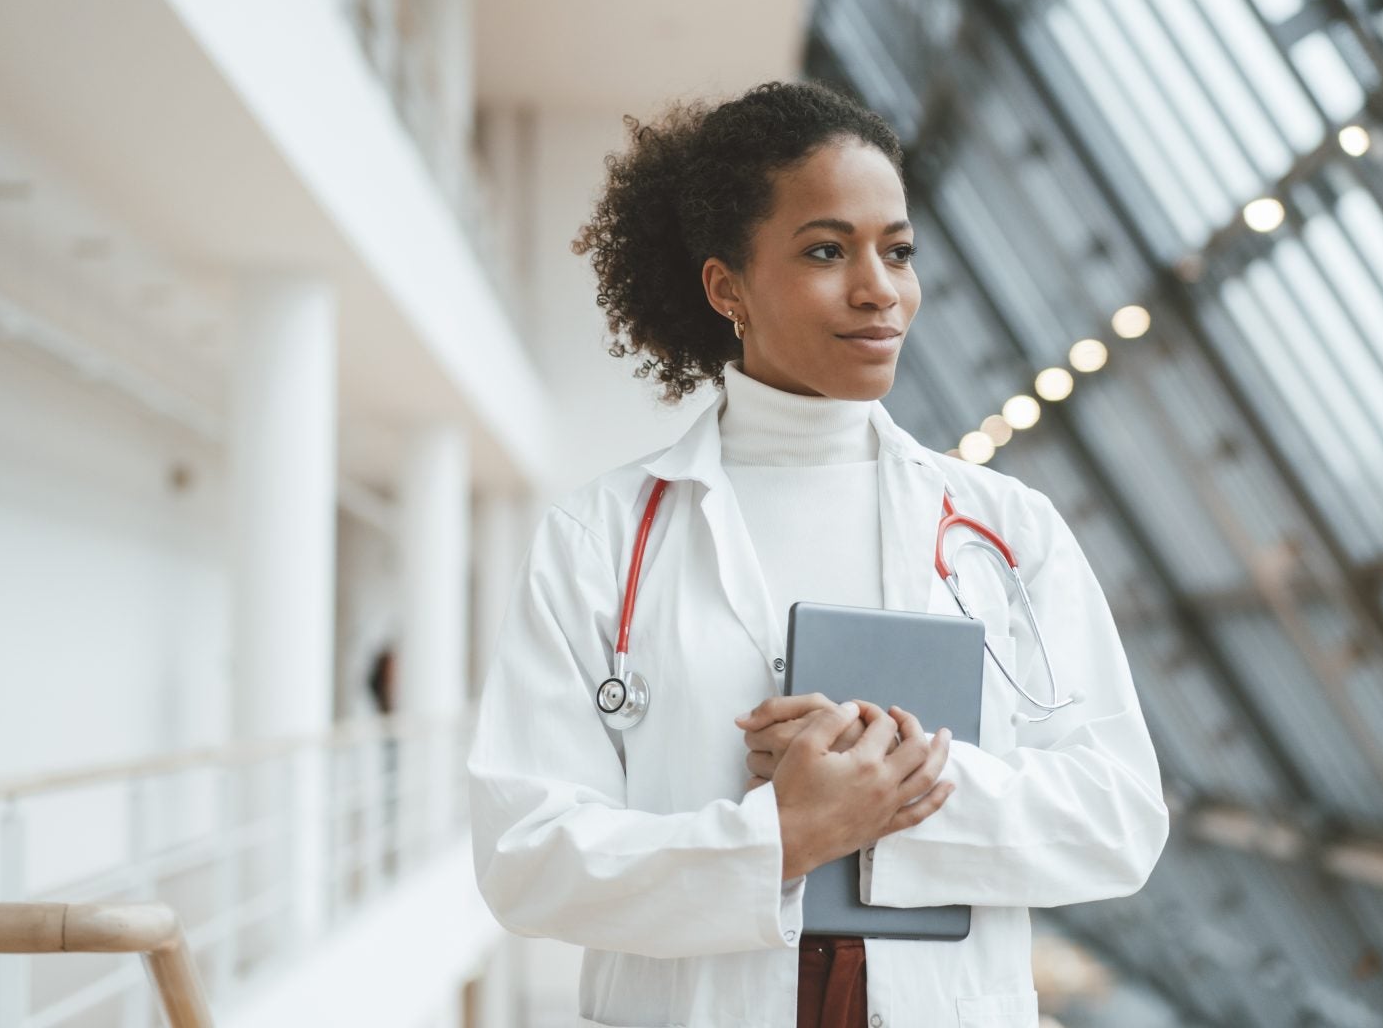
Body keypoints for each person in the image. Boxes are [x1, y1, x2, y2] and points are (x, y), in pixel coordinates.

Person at [468, 80, 1168, 1028]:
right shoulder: (599, 539)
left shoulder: (1008, 529)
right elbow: (526, 856)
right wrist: (780, 839)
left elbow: (1118, 821)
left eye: (899, 250)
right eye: (827, 250)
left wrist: (894, 783)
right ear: (727, 287)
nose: (879, 287)